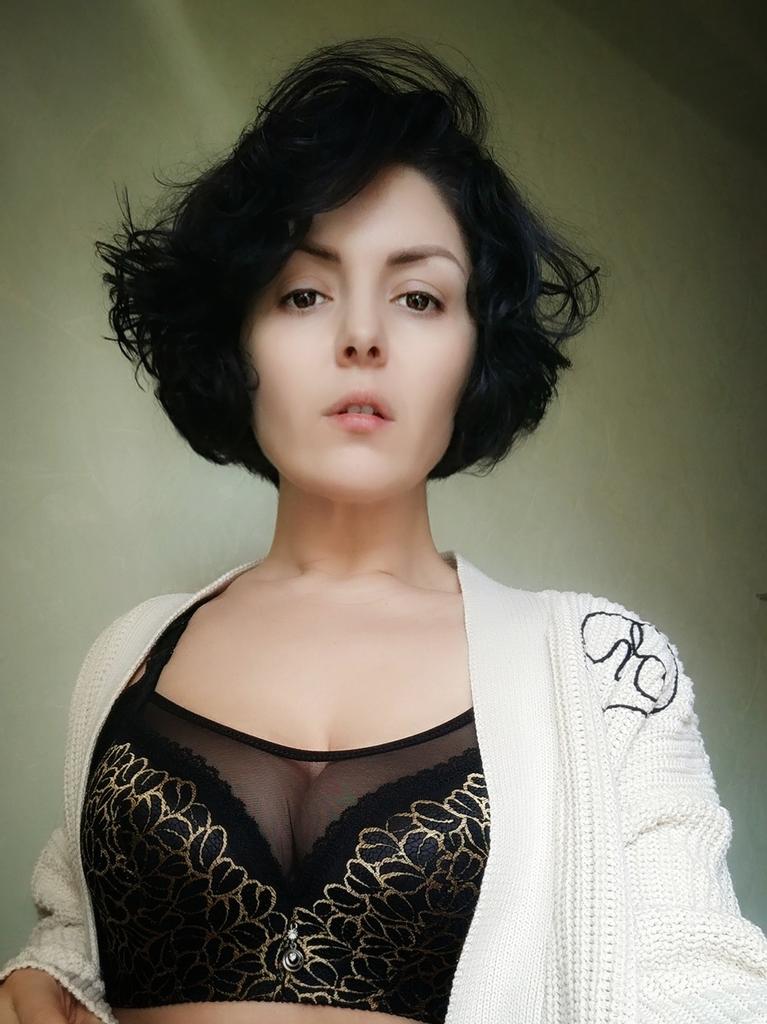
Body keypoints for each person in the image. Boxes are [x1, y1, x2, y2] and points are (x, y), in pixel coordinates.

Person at [2, 34, 767, 1024]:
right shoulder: (128, 657)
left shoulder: (601, 669)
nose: (360, 336)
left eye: (417, 296)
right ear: (239, 338)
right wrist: (44, 977)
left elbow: (708, 985)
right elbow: (74, 939)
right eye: (304, 292)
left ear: (474, 349)